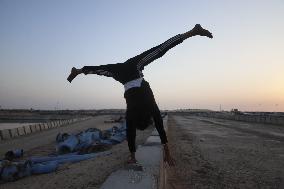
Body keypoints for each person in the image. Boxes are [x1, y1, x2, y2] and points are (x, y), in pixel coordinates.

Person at [67, 24, 213, 165]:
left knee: (160, 50)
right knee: (101, 70)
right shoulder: (131, 114)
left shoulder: (150, 106)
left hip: (133, 69)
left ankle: (193, 32)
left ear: (147, 117)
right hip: (122, 75)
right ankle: (79, 71)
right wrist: (132, 156)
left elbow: (159, 127)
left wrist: (167, 151)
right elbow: (131, 135)